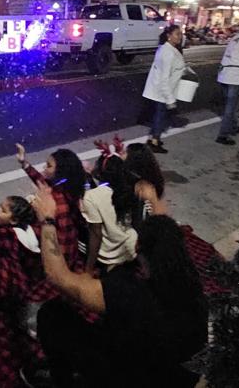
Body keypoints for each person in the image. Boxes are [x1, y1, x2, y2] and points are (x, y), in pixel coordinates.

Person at [32, 185, 208, 387]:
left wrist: (47, 219)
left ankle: (61, 379)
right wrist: (153, 199)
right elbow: (165, 234)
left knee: (52, 313)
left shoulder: (129, 291)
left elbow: (58, 276)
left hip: (130, 376)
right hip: (175, 375)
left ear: (137, 247)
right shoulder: (193, 288)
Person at [14, 144, 87, 272]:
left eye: (49, 166)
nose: (44, 168)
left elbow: (63, 243)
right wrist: (24, 163)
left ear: (60, 172)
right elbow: (42, 181)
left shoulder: (58, 206)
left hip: (61, 261)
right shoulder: (65, 188)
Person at [84, 143, 139, 272]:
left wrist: (89, 268)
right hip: (132, 248)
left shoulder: (92, 196)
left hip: (108, 255)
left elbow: (95, 234)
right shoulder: (129, 188)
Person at [142, 25, 186, 154]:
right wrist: (170, 99)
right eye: (177, 34)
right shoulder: (167, 52)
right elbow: (164, 78)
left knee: (160, 116)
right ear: (169, 36)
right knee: (160, 117)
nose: (180, 36)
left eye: (181, 34)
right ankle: (154, 142)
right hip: (163, 91)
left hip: (164, 90)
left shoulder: (170, 49)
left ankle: (154, 138)